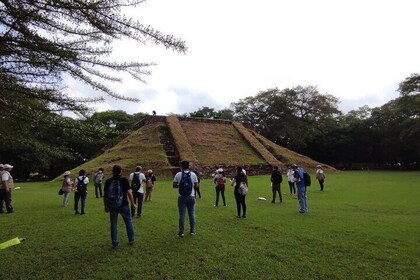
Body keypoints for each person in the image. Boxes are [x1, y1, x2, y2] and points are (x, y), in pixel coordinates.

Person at [103, 165, 136, 249]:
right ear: (121, 171)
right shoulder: (124, 180)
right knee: (128, 222)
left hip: (112, 205)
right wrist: (133, 203)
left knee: (113, 224)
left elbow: (105, 195)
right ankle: (131, 239)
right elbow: (129, 192)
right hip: (123, 204)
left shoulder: (108, 181)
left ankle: (115, 243)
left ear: (112, 171)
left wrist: (106, 206)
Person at [173, 160, 198, 237]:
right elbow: (196, 186)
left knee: (182, 215)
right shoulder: (193, 174)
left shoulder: (178, 174)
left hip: (181, 196)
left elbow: (174, 185)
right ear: (188, 166)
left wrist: (181, 186)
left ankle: (181, 232)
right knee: (192, 214)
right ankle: (192, 231)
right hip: (191, 196)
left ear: (182, 166)